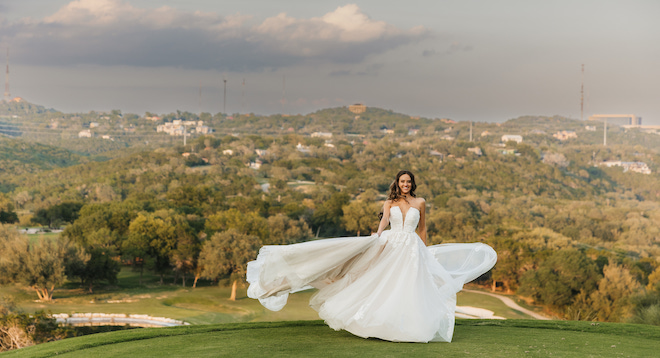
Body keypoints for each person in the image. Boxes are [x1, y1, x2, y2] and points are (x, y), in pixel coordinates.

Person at [247, 170, 497, 342]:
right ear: (397, 183)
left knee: (409, 287)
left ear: (413, 183)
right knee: (382, 283)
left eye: (408, 181)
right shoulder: (389, 202)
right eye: (402, 182)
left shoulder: (420, 202)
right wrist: (376, 237)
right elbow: (384, 223)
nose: (405, 185)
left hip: (412, 248)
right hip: (391, 244)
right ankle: (377, 323)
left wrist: (426, 251)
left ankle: (409, 327)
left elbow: (423, 229)